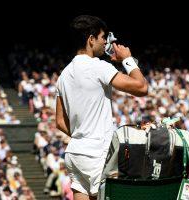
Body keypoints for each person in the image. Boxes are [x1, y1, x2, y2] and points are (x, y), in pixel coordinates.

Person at [55, 15, 148, 200]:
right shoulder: (99, 66)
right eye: (103, 37)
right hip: (97, 152)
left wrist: (82, 135)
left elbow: (59, 122)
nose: (105, 42)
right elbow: (141, 87)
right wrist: (127, 60)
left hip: (75, 153)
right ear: (91, 39)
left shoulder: (63, 75)